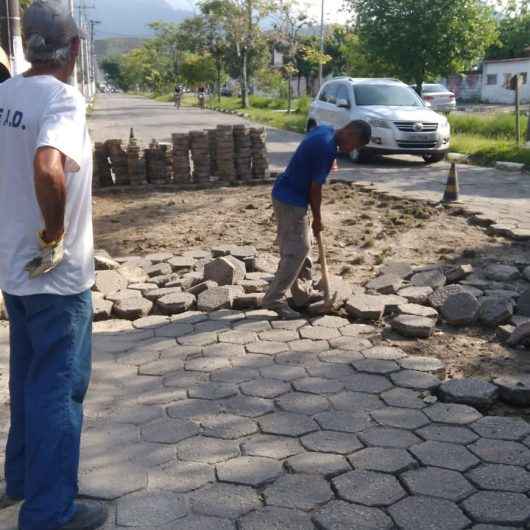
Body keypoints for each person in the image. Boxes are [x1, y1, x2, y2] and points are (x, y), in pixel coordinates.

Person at [0, 1, 107, 529]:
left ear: (26, 48)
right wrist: (54, 233)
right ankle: (48, 513)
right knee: (58, 390)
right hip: (56, 278)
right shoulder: (63, 99)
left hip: (14, 275)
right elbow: (48, 167)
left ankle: (21, 483)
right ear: (73, 50)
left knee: (27, 380)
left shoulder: (3, 97)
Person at [262, 121, 372, 319]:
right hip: (291, 200)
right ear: (350, 133)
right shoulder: (326, 149)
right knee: (297, 251)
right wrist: (318, 218)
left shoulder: (326, 130)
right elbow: (315, 189)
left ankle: (302, 296)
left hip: (289, 194)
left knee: (303, 247)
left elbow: (310, 156)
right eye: (353, 145)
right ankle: (274, 299)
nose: (350, 150)